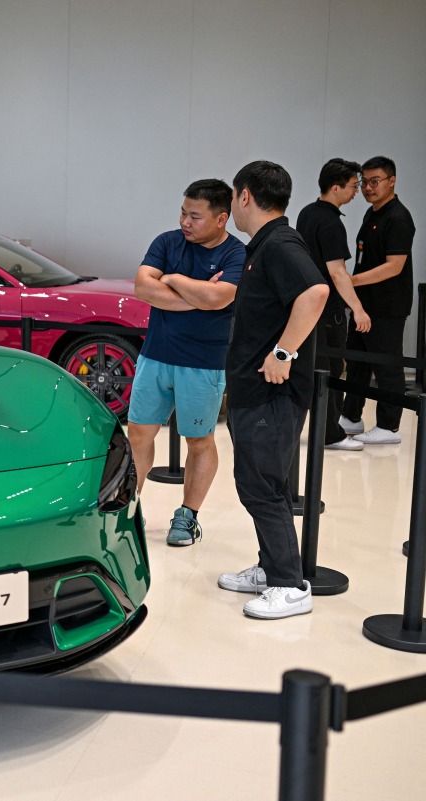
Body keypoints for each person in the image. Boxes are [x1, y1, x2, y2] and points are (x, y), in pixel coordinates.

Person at [217, 161, 328, 620]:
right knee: (263, 483)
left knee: (261, 486)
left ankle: (289, 584)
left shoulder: (280, 244)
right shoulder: (263, 245)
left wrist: (283, 354)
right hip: (253, 389)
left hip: (272, 392)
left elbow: (316, 292)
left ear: (244, 196)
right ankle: (271, 567)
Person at [129, 179, 245, 547]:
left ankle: (188, 515)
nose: (185, 221)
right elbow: (144, 288)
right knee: (138, 435)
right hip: (155, 356)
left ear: (221, 218)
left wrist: (174, 279)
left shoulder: (236, 254)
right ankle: (128, 509)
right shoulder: (166, 242)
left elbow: (221, 298)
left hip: (204, 363)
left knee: (199, 439)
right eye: (183, 212)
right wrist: (201, 294)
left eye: (195, 216)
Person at [340, 156, 416, 445]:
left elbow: (394, 265)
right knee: (357, 362)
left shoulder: (398, 218)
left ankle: (389, 425)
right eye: (365, 183)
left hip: (387, 306)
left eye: (375, 181)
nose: (369, 188)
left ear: (392, 181)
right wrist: (353, 295)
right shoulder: (372, 214)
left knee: (387, 365)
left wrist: (351, 281)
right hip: (364, 304)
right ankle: (351, 416)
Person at [295, 159, 369, 451]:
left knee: (316, 368)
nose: (356, 192)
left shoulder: (306, 213)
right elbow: (338, 272)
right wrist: (358, 309)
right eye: (353, 186)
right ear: (335, 187)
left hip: (307, 306)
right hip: (328, 311)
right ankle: (330, 434)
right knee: (332, 370)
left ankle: (326, 429)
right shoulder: (332, 223)